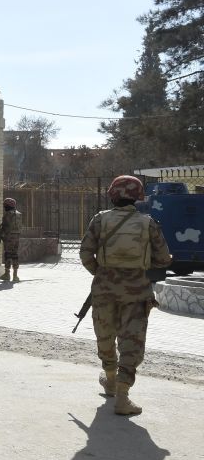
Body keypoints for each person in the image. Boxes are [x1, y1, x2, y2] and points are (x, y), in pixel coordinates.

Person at [78, 175, 171, 416]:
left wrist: (102, 274)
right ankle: (122, 396)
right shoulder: (148, 223)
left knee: (105, 337)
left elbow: (85, 254)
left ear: (112, 194)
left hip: (104, 291)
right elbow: (163, 258)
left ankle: (109, 379)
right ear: (138, 196)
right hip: (137, 293)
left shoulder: (99, 220)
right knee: (131, 342)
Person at [0, 197, 23, 282]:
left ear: (7, 206)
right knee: (15, 255)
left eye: (5, 205)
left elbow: (3, 227)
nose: (4, 207)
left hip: (9, 237)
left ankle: (7, 274)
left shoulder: (7, 214)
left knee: (8, 255)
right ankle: (15, 276)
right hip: (17, 237)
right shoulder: (19, 214)